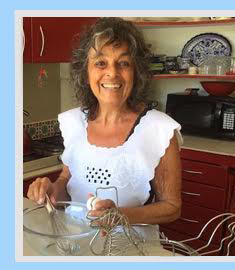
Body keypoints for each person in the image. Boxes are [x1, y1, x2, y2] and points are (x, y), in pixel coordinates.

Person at [27, 17, 182, 239]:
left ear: (136, 72)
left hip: (131, 249)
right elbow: (66, 181)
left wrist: (121, 215)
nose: (112, 73)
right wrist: (52, 190)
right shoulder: (74, 123)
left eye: (124, 63)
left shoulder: (159, 129)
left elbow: (172, 207)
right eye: (101, 63)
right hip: (75, 242)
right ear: (86, 71)